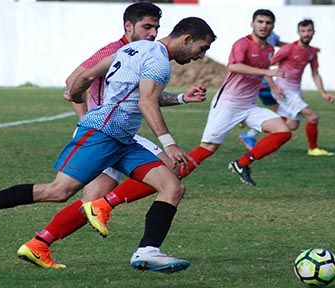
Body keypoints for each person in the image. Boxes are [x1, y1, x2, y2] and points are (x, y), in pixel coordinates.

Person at [0, 16, 216, 273]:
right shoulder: (157, 60)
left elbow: (87, 78)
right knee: (57, 191)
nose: (201, 57)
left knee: (172, 186)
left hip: (123, 140)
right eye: (201, 49)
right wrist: (169, 143)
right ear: (187, 39)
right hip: (102, 134)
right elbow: (145, 101)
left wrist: (75, 92)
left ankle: (147, 251)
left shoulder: (135, 49)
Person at [16, 2, 204, 269]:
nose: (152, 33)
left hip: (115, 132)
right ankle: (141, 242)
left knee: (87, 197)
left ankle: (40, 243)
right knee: (169, 173)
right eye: (147, 27)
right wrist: (87, 122)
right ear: (129, 26)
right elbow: (73, 81)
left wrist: (183, 98)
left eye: (156, 28)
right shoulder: (115, 50)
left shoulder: (144, 52)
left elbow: (146, 96)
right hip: (104, 132)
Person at [163, 9, 292, 187]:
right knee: (207, 149)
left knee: (283, 131)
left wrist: (274, 85)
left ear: (273, 26)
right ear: (252, 24)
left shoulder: (269, 49)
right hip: (228, 104)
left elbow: (265, 72)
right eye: (260, 22)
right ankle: (170, 179)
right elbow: (234, 66)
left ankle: (242, 164)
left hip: (249, 105)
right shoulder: (243, 44)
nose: (263, 26)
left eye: (268, 23)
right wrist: (266, 72)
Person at [240, 19, 335, 156]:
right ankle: (313, 149)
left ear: (313, 32)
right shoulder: (288, 49)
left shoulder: (312, 52)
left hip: (295, 91)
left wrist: (323, 93)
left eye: (309, 31)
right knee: (312, 117)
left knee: (290, 125)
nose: (306, 34)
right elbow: (265, 66)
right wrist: (273, 87)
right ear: (298, 32)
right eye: (303, 31)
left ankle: (250, 134)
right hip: (284, 91)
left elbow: (315, 73)